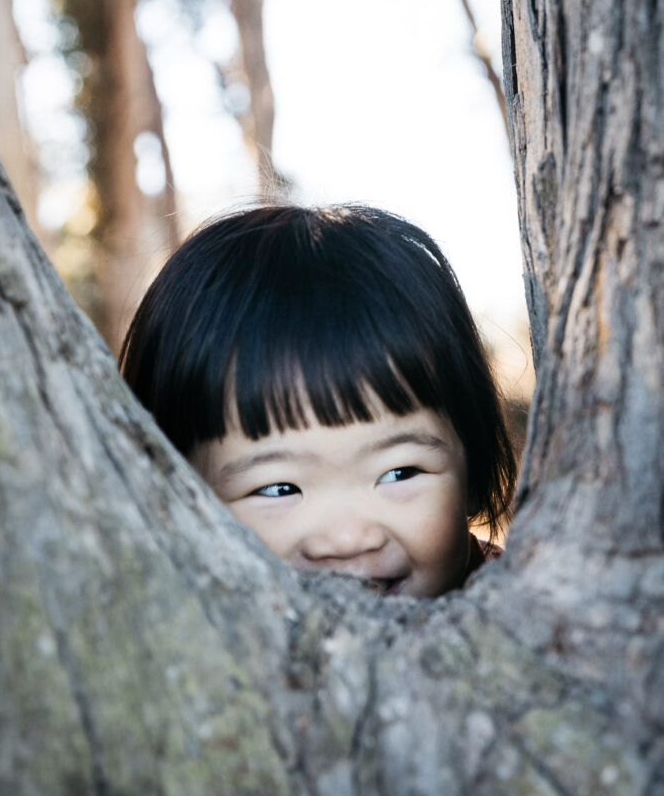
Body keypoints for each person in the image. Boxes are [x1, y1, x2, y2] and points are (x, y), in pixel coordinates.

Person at [119, 204, 517, 598]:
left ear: (473, 472)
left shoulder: (533, 624)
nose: (346, 539)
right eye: (278, 488)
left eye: (398, 473)